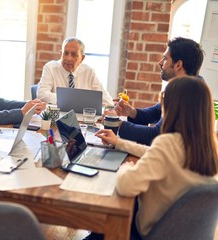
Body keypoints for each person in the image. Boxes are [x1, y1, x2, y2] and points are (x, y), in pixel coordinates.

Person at [91, 76, 218, 239]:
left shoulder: (169, 143)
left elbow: (125, 186)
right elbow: (155, 153)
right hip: (184, 233)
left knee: (106, 218)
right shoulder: (209, 146)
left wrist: (126, 168)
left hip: (152, 232)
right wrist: (119, 143)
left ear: (173, 108)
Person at [112, 37, 204, 145]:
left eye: (165, 59)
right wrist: (131, 112)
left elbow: (156, 135)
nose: (160, 63)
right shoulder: (188, 85)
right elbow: (156, 112)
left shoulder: (189, 93)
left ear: (178, 65)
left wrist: (117, 124)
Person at [37, 37, 114, 106]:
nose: (68, 58)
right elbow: (42, 94)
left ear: (82, 58)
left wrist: (76, 101)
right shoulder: (50, 68)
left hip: (83, 118)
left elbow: (107, 101)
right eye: (65, 53)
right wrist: (72, 99)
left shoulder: (89, 72)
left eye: (74, 55)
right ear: (61, 54)